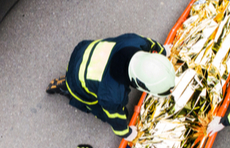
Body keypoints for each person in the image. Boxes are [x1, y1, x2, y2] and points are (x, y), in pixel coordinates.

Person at [47, 34, 175, 141]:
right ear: (139, 84)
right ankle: (66, 88)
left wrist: (163, 51)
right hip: (77, 79)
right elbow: (116, 119)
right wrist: (127, 133)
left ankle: (70, 82)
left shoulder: (137, 42)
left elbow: (152, 44)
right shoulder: (113, 96)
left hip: (84, 50)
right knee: (100, 109)